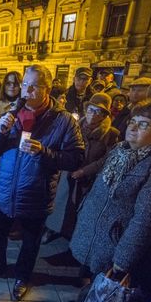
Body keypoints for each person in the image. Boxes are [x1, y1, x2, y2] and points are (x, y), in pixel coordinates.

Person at [69, 97, 151, 302]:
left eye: (143, 124)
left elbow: (146, 218)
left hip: (116, 237)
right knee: (95, 273)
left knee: (110, 280)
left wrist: (124, 258)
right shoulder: (122, 149)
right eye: (133, 121)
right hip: (97, 227)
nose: (132, 127)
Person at [0, 64, 85, 301]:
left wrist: (43, 152)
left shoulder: (64, 121)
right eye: (25, 85)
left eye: (33, 86)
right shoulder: (11, 113)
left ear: (47, 89)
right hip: (4, 191)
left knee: (30, 242)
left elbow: (76, 158)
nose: (26, 91)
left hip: (35, 195)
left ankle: (22, 277)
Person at [43, 93, 119, 243]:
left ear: (104, 115)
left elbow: (108, 159)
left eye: (98, 111)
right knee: (60, 202)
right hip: (68, 171)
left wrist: (84, 171)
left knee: (80, 207)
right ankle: (53, 229)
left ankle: (73, 235)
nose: (93, 114)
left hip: (90, 177)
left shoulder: (111, 134)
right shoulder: (75, 126)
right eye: (91, 109)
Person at [0, 71, 22, 181]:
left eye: (15, 84)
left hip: (18, 152)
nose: (12, 86)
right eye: (8, 83)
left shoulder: (26, 106)